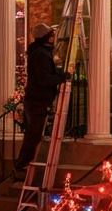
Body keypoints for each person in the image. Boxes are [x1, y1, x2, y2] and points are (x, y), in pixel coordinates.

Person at [14, 23, 71, 180]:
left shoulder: (39, 53)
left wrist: (58, 74)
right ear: (47, 38)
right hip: (37, 101)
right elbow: (44, 78)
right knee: (34, 134)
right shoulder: (40, 54)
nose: (54, 38)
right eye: (51, 35)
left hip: (36, 100)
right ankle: (22, 162)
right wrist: (61, 78)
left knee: (32, 133)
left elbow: (45, 73)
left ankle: (23, 161)